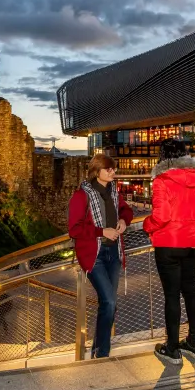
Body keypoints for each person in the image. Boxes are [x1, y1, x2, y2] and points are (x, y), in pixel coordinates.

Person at [143, 139, 195, 365]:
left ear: (163, 156)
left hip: (168, 245)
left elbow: (161, 217)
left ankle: (172, 348)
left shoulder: (162, 181)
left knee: (171, 296)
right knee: (191, 292)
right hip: (191, 243)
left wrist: (147, 225)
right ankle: (194, 344)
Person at [67, 153, 133, 358]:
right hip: (95, 255)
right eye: (109, 169)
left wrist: (123, 220)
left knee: (109, 304)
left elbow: (126, 210)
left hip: (114, 253)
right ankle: (102, 353)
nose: (113, 172)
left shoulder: (114, 192)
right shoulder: (81, 196)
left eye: (113, 168)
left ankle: (97, 348)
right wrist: (101, 231)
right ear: (97, 172)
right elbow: (74, 229)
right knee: (109, 302)